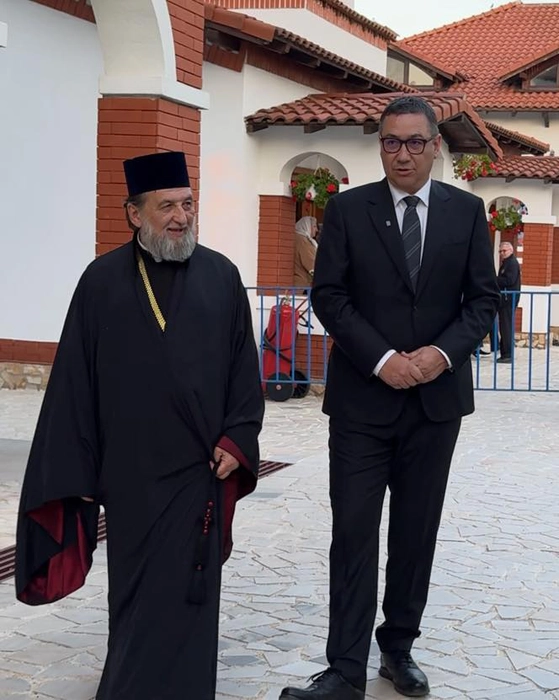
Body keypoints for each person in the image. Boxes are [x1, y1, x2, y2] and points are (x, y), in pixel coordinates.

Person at [15, 151, 265, 700]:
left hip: (200, 469)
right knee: (136, 595)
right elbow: (74, 384)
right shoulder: (101, 281)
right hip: (130, 475)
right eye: (167, 206)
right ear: (134, 214)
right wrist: (76, 469)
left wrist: (239, 438)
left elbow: (244, 372)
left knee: (192, 593)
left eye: (188, 205)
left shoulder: (222, 276)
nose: (181, 217)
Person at [280, 97, 500, 700]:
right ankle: (345, 668)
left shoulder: (466, 212)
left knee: (414, 531)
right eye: (391, 142)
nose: (403, 154)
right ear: (380, 146)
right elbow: (330, 295)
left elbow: (482, 300)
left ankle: (398, 649)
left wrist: (440, 355)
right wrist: (383, 360)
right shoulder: (348, 210)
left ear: (435, 146)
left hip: (435, 404)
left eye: (414, 142)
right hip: (362, 403)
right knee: (353, 531)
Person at [496, 241, 521, 363]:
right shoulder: (506, 263)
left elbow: (509, 280)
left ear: (511, 251)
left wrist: (494, 280)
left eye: (504, 251)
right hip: (505, 299)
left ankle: (507, 354)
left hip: (508, 299)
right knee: (504, 326)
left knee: (506, 326)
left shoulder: (512, 263)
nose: (502, 253)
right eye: (500, 251)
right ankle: (504, 352)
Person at [294, 216, 318, 288]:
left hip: (297, 282)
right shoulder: (303, 241)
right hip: (302, 284)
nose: (316, 230)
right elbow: (311, 263)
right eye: (314, 226)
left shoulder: (296, 238)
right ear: (307, 226)